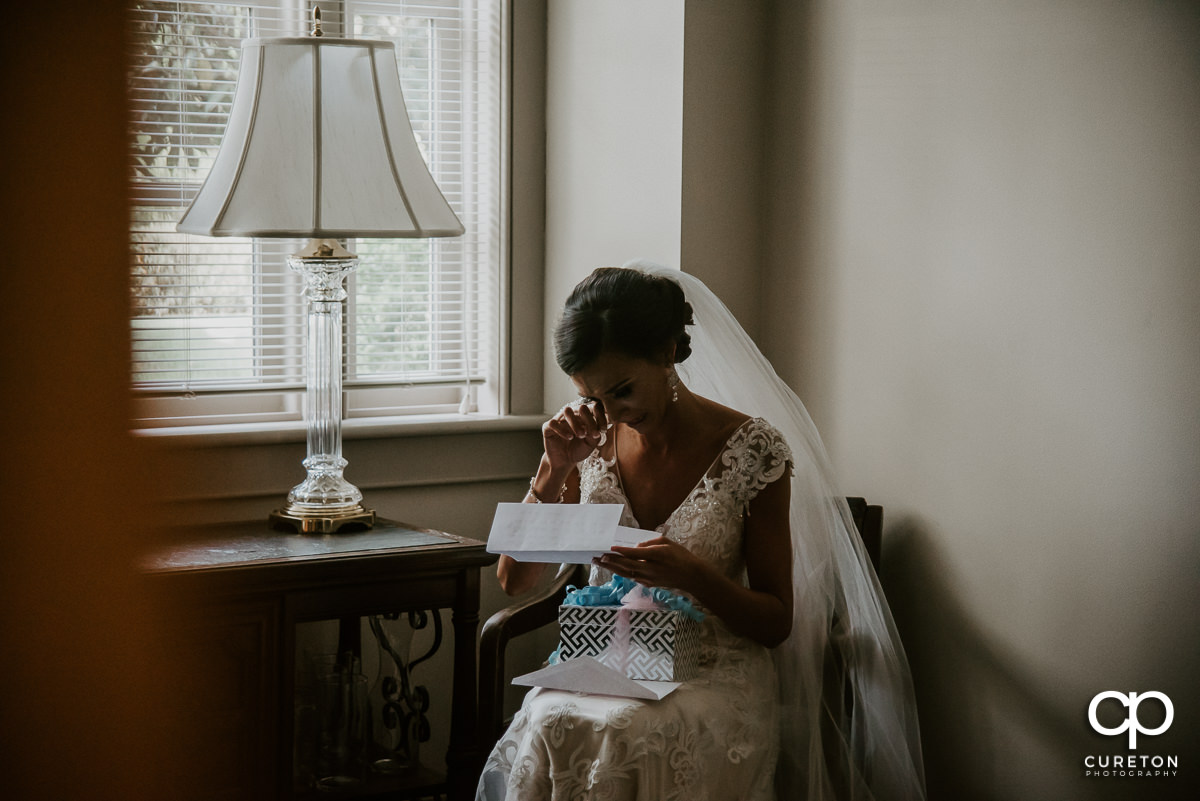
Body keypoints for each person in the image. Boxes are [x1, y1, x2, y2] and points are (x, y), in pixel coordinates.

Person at [477, 262, 926, 801]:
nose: (611, 413)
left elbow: (777, 620)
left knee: (625, 732)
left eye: (622, 390)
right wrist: (554, 469)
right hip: (611, 660)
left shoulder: (750, 450)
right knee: (554, 715)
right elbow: (515, 580)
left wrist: (692, 573)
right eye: (593, 398)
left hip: (716, 668)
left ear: (667, 353)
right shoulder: (587, 442)